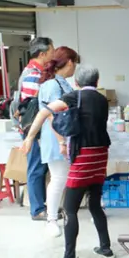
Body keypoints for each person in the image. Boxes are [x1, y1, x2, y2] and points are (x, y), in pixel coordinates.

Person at [21, 65, 113, 258]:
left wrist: (29, 137)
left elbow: (45, 111)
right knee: (95, 204)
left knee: (69, 209)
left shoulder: (74, 97)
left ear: (77, 83)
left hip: (84, 156)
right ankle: (105, 247)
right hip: (101, 155)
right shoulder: (101, 99)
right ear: (97, 82)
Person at [37, 46, 80, 237]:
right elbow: (52, 116)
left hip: (65, 137)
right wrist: (62, 142)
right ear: (69, 63)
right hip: (56, 138)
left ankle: (60, 214)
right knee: (58, 179)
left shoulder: (63, 83)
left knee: (64, 178)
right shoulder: (52, 85)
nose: (75, 69)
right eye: (75, 64)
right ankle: (51, 219)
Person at [18, 37, 55, 220]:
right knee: (36, 168)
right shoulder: (33, 74)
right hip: (34, 129)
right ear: (42, 54)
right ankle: (37, 209)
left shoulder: (35, 71)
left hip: (37, 129)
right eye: (51, 51)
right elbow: (33, 107)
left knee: (40, 168)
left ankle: (42, 207)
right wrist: (34, 134)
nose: (53, 54)